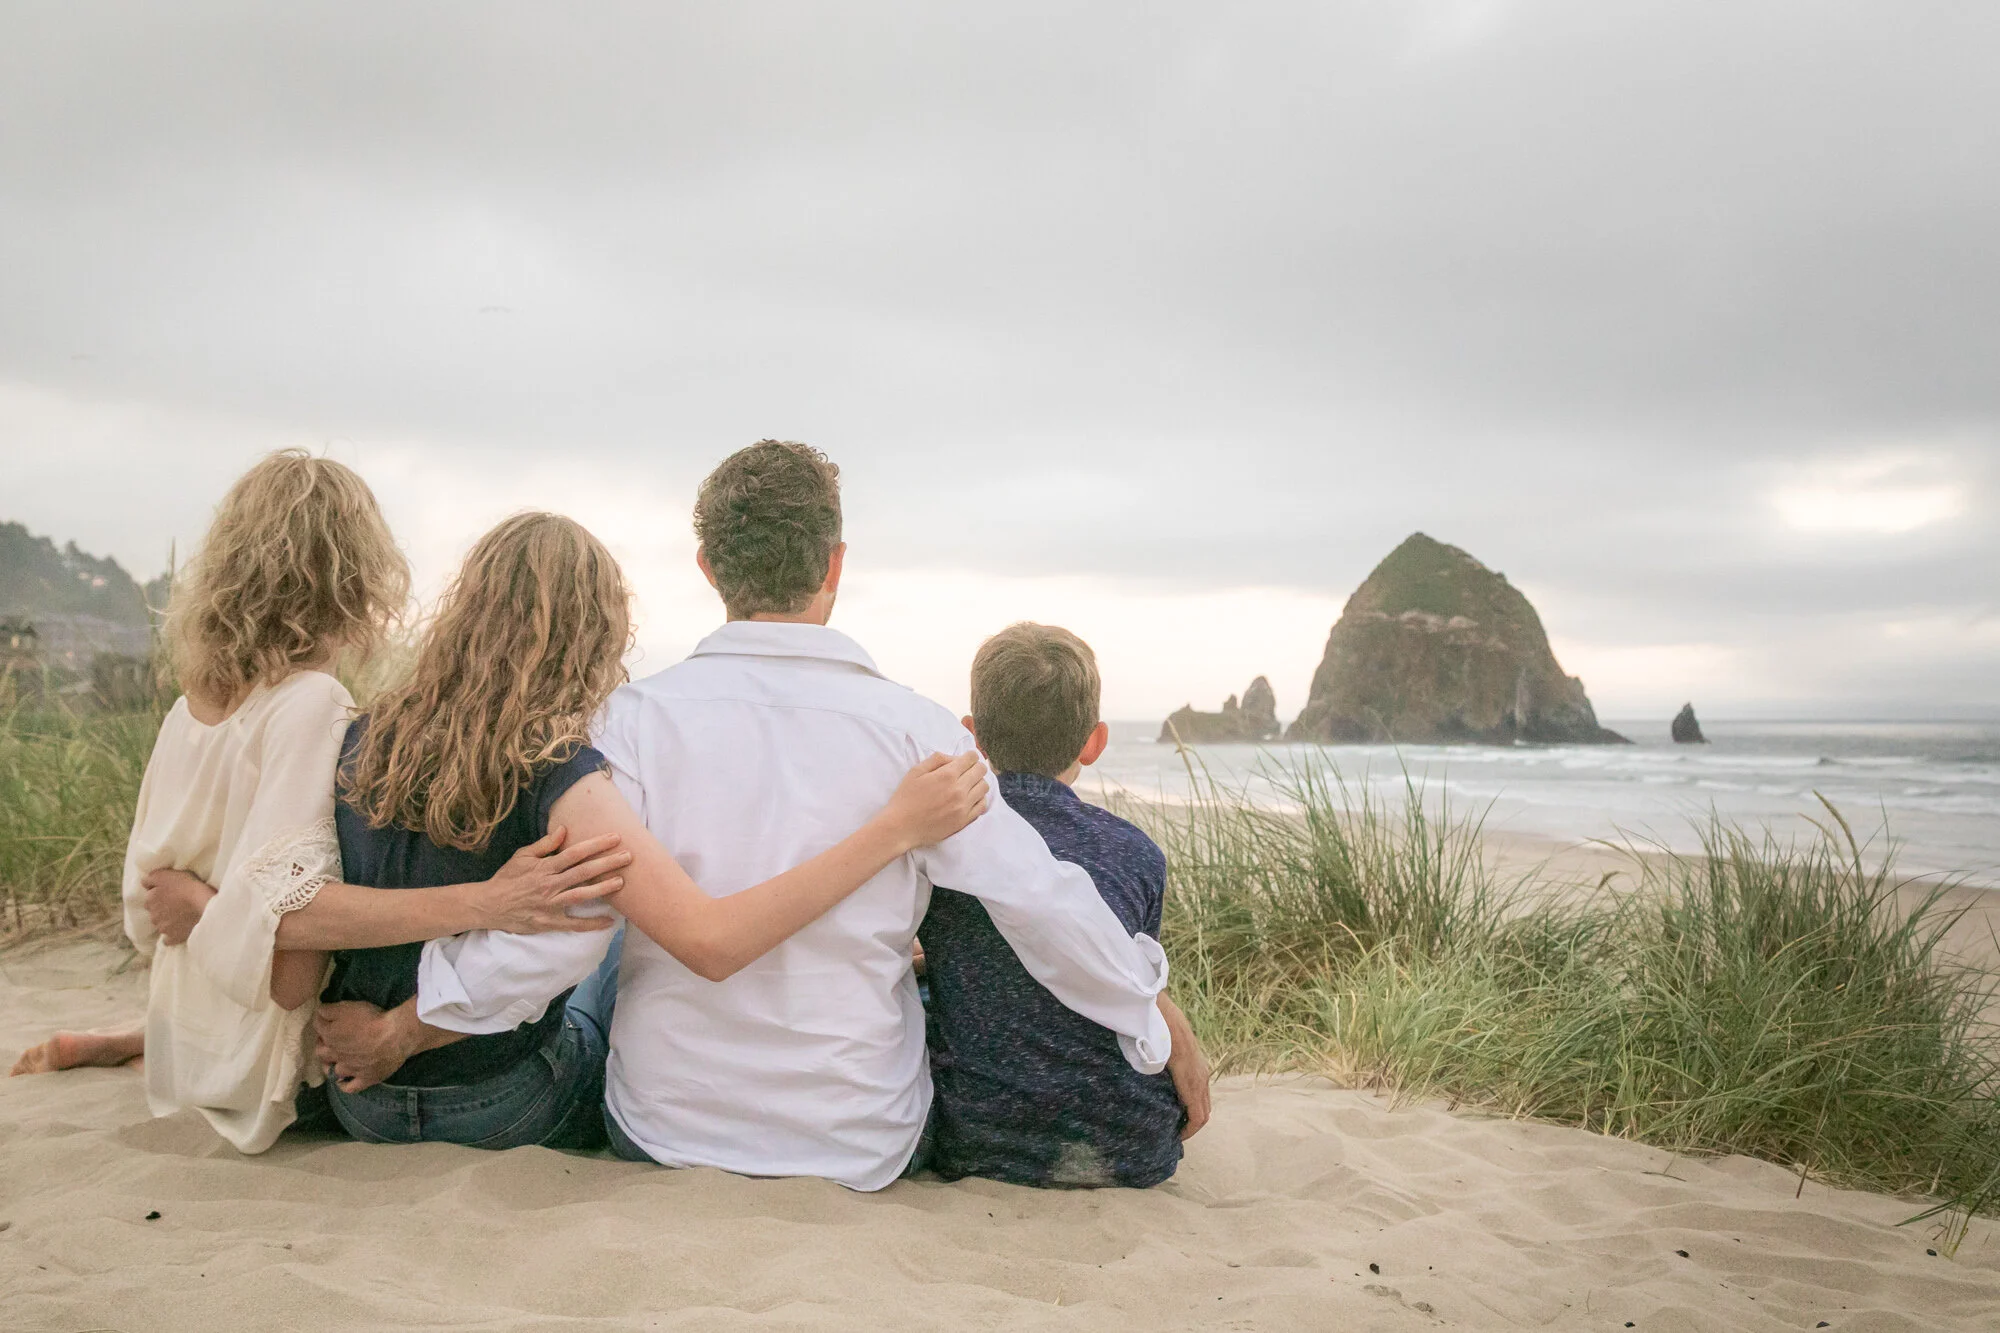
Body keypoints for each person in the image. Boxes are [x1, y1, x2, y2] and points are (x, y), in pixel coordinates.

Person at [411, 440, 1195, 1191]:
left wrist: (410, 1019)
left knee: (613, 942)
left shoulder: (630, 722)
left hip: (665, 1127)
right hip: (859, 1138)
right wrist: (1149, 1021)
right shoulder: (915, 732)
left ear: (710, 567)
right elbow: (1042, 901)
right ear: (835, 562)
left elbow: (564, 935)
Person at [153, 511, 993, 1151]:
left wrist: (370, 1032)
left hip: (358, 1098)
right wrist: (402, 1031)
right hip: (495, 1102)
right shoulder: (554, 764)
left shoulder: (361, 736)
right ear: (594, 629)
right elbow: (554, 945)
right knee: (596, 956)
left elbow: (301, 896)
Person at [9, 452, 623, 1153]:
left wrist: (203, 906)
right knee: (593, 970)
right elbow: (292, 940)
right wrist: (486, 903)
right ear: (355, 571)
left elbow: (149, 911)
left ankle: (131, 1038)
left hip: (219, 1037)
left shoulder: (193, 714)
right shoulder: (317, 707)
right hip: (283, 1064)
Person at [921, 623, 1209, 1188]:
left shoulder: (948, 847)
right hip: (1133, 1148)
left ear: (972, 737)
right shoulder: (1138, 853)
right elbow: (1124, 982)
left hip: (977, 1143)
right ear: (1094, 742)